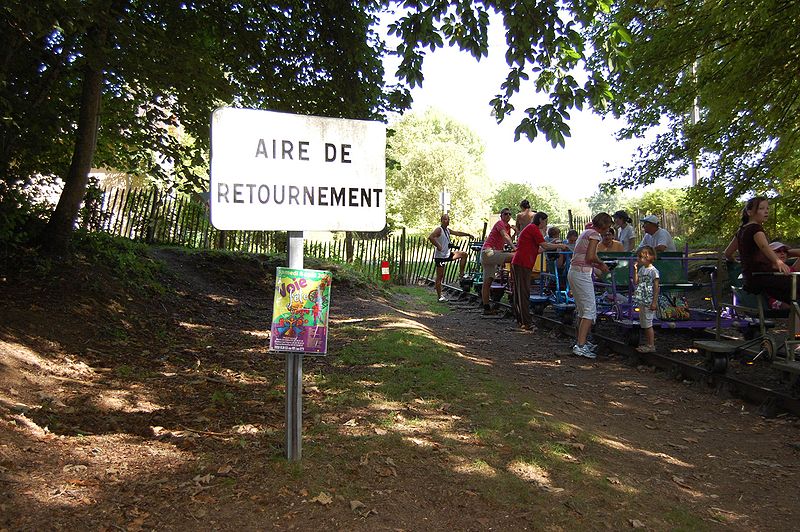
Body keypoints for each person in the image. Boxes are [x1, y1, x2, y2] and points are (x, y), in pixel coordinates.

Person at [723, 197, 800, 304]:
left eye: (767, 208)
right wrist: (779, 262)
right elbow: (764, 247)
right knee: (795, 288)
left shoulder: (741, 230)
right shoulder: (756, 228)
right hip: (762, 278)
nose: (766, 211)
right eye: (761, 208)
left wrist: (735, 262)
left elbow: (727, 253)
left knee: (792, 297)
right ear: (749, 212)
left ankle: (793, 317)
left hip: (750, 279)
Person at [511, 212, 569, 330]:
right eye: (546, 221)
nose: (546, 224)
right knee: (524, 293)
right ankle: (526, 322)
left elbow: (539, 249)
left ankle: (520, 319)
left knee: (520, 292)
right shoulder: (534, 228)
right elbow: (545, 246)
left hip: (521, 262)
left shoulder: (530, 229)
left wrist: (552, 244)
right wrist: (560, 246)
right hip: (523, 263)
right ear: (541, 220)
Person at [567, 212, 612, 358]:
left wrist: (597, 268)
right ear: (604, 225)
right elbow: (591, 256)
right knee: (589, 310)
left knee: (582, 310)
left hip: (574, 271)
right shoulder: (594, 235)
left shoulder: (586, 232)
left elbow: (585, 257)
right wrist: (602, 264)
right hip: (581, 274)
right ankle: (580, 346)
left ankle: (582, 341)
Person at [429, 213, 474, 302]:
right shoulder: (439, 229)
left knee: (464, 254)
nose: (447, 221)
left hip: (448, 254)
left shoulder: (447, 230)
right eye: (445, 219)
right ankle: (440, 297)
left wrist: (468, 234)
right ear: (441, 221)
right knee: (440, 277)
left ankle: (461, 274)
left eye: (448, 219)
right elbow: (431, 237)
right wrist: (438, 246)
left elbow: (457, 233)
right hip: (440, 257)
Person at [481, 208, 516, 315]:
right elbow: (505, 237)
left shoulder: (507, 227)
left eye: (510, 214)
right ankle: (516, 281)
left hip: (489, 255)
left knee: (487, 282)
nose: (508, 216)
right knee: (516, 256)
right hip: (489, 252)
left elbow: (508, 238)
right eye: (505, 214)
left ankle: (486, 308)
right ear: (501, 215)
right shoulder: (500, 223)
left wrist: (516, 232)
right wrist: (514, 247)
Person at [633, 246, 660, 353]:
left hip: (649, 300)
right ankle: (648, 343)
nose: (638, 259)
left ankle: (651, 345)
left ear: (648, 257)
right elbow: (636, 282)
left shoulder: (654, 271)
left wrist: (654, 302)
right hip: (642, 299)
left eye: (640, 257)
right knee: (644, 323)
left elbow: (656, 287)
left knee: (648, 323)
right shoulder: (642, 269)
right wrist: (635, 271)